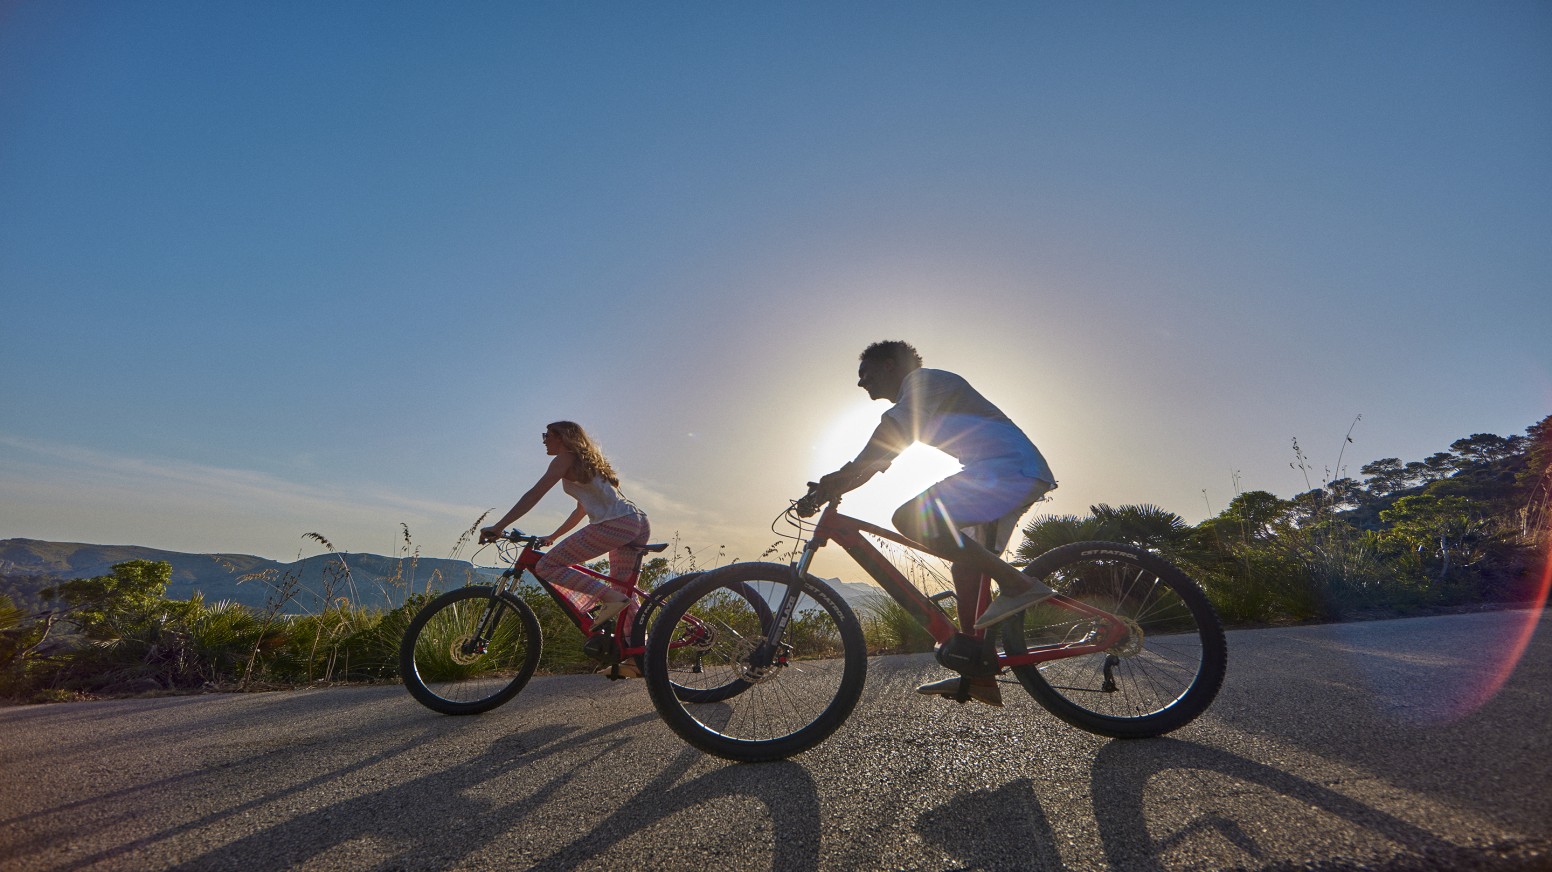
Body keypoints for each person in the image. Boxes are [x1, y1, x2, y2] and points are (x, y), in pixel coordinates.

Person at [812, 340, 1057, 706]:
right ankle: (980, 676)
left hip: (1005, 470)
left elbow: (889, 437)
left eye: (866, 373)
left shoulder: (924, 382)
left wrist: (840, 476)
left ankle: (1018, 584)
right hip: (1005, 472)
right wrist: (836, 485)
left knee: (911, 517)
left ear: (892, 365)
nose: (861, 383)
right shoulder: (916, 399)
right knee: (966, 567)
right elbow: (882, 458)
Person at [480, 421, 650, 635]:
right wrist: (553, 536)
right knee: (623, 588)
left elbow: (535, 493)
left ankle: (609, 599)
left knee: (546, 567)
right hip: (635, 521)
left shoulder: (566, 457)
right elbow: (580, 511)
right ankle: (635, 656)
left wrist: (499, 526)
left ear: (562, 437)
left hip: (615, 524)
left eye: (547, 435)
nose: (544, 441)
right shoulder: (587, 462)